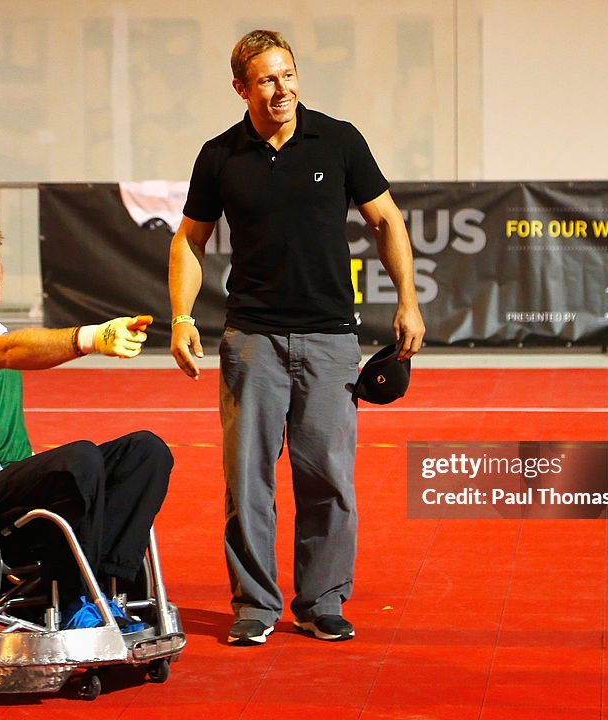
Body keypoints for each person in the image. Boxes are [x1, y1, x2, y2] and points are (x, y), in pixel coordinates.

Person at [168, 29, 425, 645]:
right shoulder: (219, 155)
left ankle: (322, 601)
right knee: (247, 480)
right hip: (251, 338)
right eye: (266, 79)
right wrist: (180, 317)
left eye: (288, 75)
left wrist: (409, 303)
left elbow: (387, 219)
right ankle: (255, 606)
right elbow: (188, 240)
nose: (281, 89)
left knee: (328, 478)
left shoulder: (338, 140)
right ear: (241, 88)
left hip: (332, 337)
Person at [0, 206, 172, 616]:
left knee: (146, 451)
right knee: (79, 458)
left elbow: (7, 344)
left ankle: (108, 588)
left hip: (11, 479)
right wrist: (90, 337)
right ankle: (72, 600)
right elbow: (10, 351)